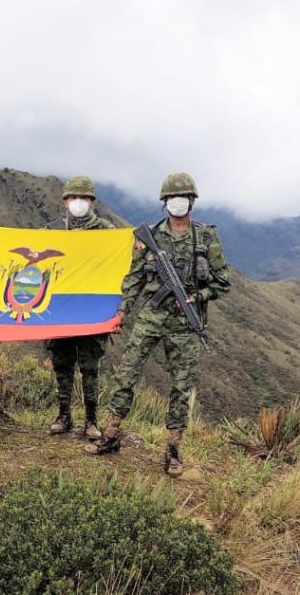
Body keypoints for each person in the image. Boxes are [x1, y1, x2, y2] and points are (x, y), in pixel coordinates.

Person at [84, 172, 231, 477]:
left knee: (181, 386)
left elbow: (222, 282)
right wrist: (122, 312)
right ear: (165, 202)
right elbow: (135, 277)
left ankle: (173, 449)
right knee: (127, 374)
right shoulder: (149, 236)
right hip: (151, 317)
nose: (178, 203)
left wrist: (196, 297)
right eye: (172, 198)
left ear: (191, 201)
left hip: (185, 324)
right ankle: (110, 434)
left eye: (183, 198)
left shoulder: (205, 237)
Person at [44, 176, 115, 439]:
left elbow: (119, 268)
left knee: (90, 368)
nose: (78, 202)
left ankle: (91, 421)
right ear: (65, 201)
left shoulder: (107, 232)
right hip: (59, 310)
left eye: (83, 198)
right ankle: (63, 416)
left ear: (92, 201)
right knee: (62, 365)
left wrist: (116, 311)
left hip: (92, 311)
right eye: (73, 197)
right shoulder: (52, 231)